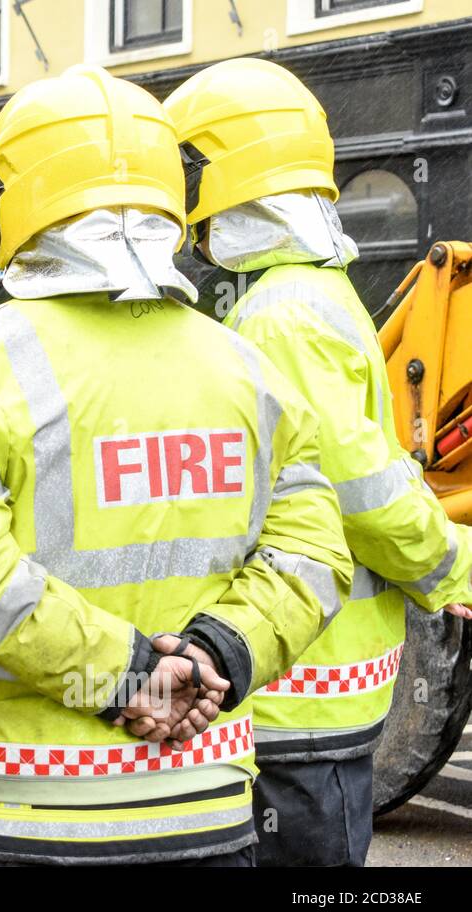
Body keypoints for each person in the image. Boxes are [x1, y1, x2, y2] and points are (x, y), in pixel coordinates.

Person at [0, 64, 354, 867]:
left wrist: (129, 680)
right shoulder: (248, 366)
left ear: (10, 206)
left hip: (16, 811)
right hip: (205, 808)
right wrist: (215, 656)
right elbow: (314, 557)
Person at [165, 58, 472, 867]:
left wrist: (452, 568)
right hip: (336, 679)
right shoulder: (319, 294)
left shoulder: (278, 317)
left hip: (301, 690)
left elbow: (357, 487)